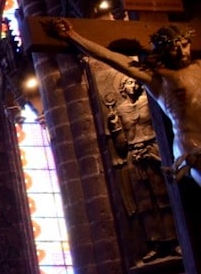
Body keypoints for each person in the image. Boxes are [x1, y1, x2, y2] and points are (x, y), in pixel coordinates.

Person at [49, 18, 201, 185]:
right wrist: (72, 35)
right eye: (174, 48)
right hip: (191, 144)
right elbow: (109, 57)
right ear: (163, 51)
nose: (182, 52)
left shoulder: (199, 67)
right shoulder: (156, 78)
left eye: (185, 45)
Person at [106, 75, 178, 262]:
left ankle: (173, 241)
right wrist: (115, 127)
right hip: (134, 155)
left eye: (135, 82)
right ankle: (156, 243)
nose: (134, 85)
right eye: (129, 82)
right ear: (122, 88)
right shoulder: (120, 110)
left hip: (154, 148)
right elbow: (121, 146)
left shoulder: (150, 101)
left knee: (163, 196)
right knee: (144, 202)